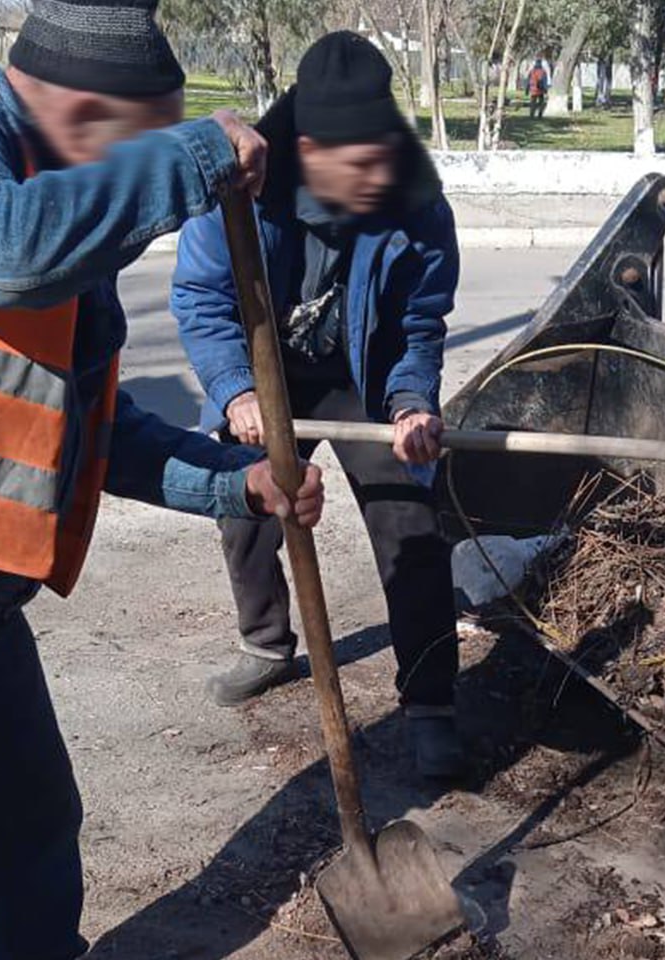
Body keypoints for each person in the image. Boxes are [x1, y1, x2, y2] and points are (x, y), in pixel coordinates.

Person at [0, 1, 325, 956]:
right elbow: (4, 255)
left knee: (32, 845)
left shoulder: (55, 193)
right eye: (136, 151)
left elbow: (88, 426)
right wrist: (193, 159)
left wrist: (236, 483)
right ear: (85, 111)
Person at [172, 31, 465, 780]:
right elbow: (202, 297)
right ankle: (266, 644)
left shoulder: (417, 202)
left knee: (410, 514)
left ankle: (430, 699)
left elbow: (417, 321)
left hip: (364, 373)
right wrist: (236, 391)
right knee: (241, 498)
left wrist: (409, 404)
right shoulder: (239, 188)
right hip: (267, 368)